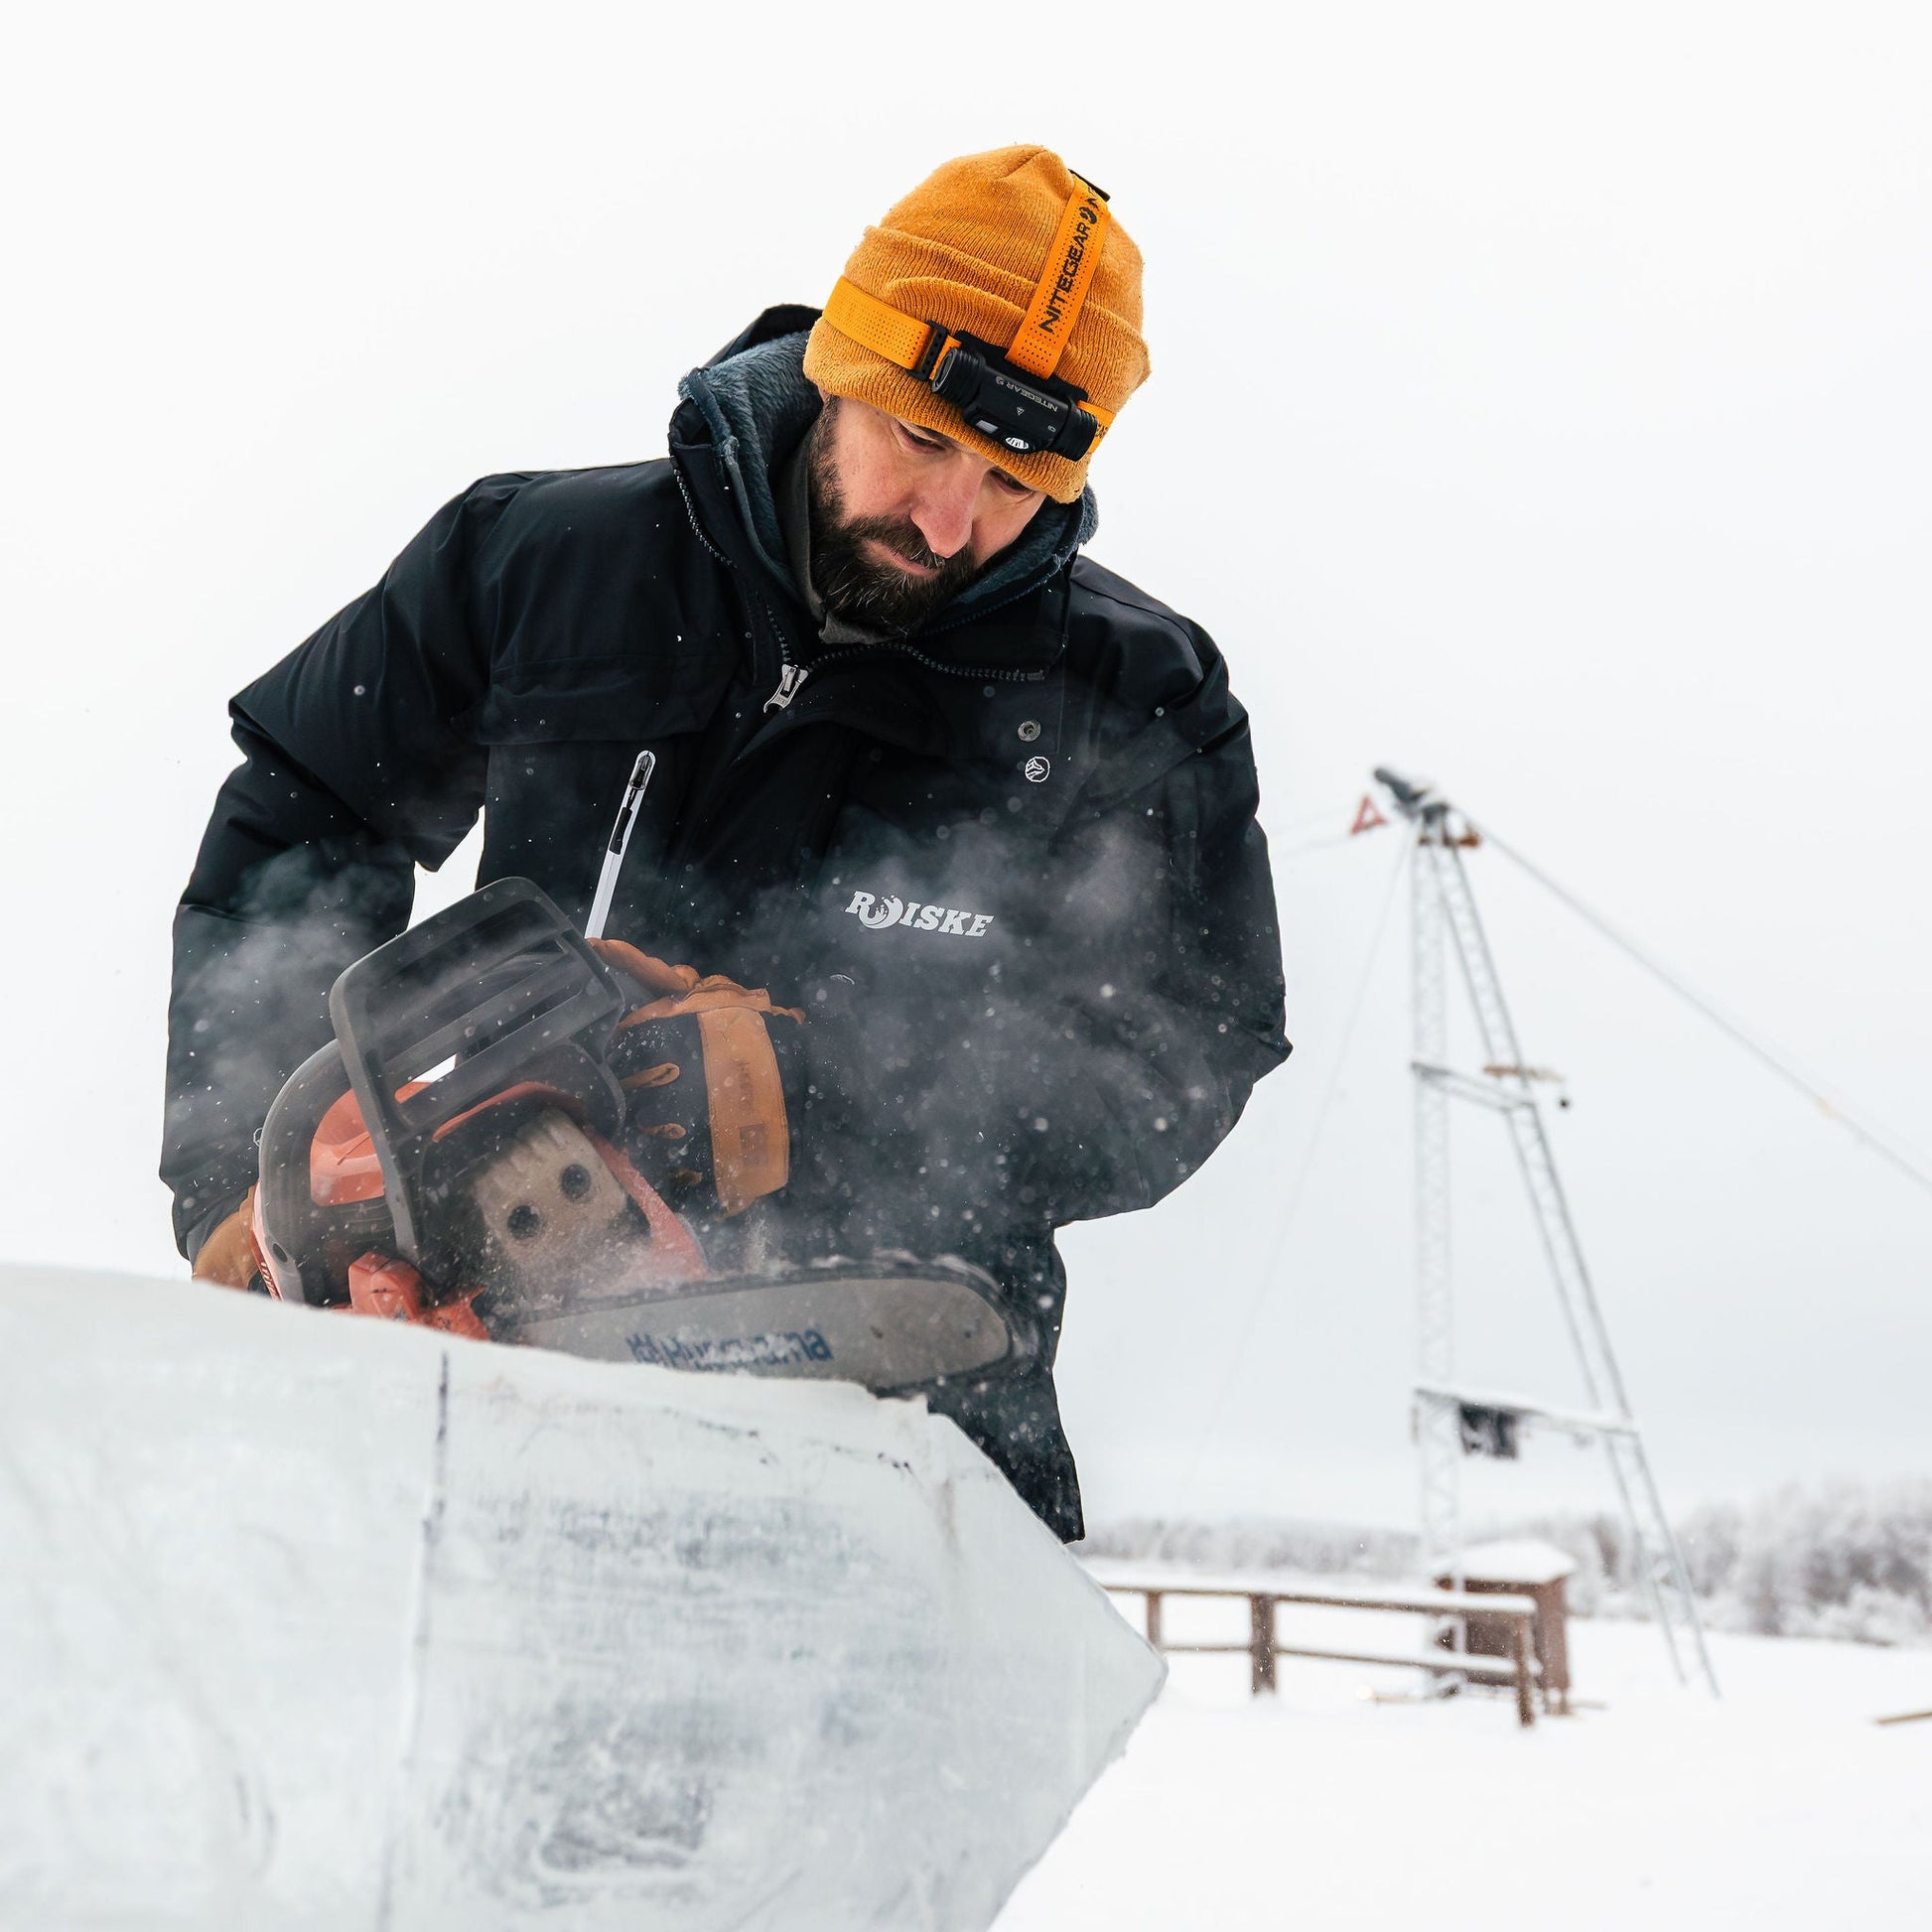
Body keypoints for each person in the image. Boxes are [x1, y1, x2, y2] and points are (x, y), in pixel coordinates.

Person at [164, 145, 1289, 1540]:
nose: (950, 524)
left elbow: (1194, 1040)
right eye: (925, 441)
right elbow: (306, 799)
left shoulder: (1136, 699)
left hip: (913, 1405)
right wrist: (247, 1180)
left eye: (1014, 482)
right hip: (504, 1359)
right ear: (843, 367)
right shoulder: (541, 562)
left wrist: (815, 1089)